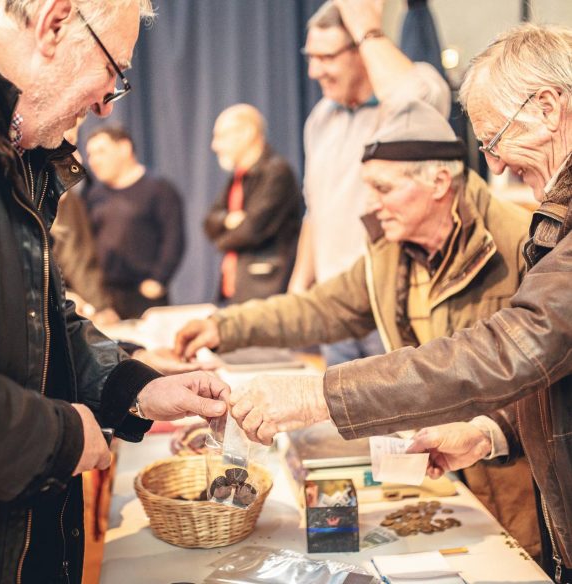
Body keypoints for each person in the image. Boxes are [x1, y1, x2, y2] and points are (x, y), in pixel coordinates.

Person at [227, 24, 572, 583]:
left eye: (495, 138)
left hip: (523, 504)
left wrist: (317, 394)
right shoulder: (394, 251)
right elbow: (548, 373)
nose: (498, 165)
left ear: (550, 109)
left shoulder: (520, 234)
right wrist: (488, 434)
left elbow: (509, 351)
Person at [174, 99, 539, 554]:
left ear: (440, 183)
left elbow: (536, 380)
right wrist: (224, 325)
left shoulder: (525, 246)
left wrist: (487, 432)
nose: (371, 204)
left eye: (383, 188)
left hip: (514, 478)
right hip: (438, 470)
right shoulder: (390, 249)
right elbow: (321, 308)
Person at [0, 2, 229, 582]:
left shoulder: (16, 143)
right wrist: (60, 437)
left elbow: (44, 319)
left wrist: (137, 388)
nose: (103, 103)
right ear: (56, 23)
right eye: (114, 69)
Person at [286, 0, 451, 365]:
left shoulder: (401, 107)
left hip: (389, 305)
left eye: (327, 57)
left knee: (400, 415)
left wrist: (367, 27)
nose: (314, 71)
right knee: (340, 419)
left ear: (361, 50)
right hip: (335, 308)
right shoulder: (320, 118)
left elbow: (416, 98)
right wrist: (299, 289)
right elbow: (316, 211)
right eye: (310, 57)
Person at [204, 104, 302, 304]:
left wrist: (223, 236)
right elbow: (208, 222)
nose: (215, 145)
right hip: (238, 286)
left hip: (265, 287)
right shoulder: (239, 176)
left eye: (221, 136)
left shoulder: (276, 172)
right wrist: (229, 220)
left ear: (247, 133)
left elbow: (251, 230)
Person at [85, 125, 185, 318]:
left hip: (143, 295)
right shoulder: (94, 195)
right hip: (105, 296)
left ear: (124, 148)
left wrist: (159, 279)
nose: (94, 160)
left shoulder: (158, 189)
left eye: (101, 152)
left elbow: (174, 238)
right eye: (90, 154)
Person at [52, 117, 120, 324]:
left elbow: (76, 255)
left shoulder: (66, 200)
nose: (78, 160)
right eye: (67, 141)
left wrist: (98, 307)